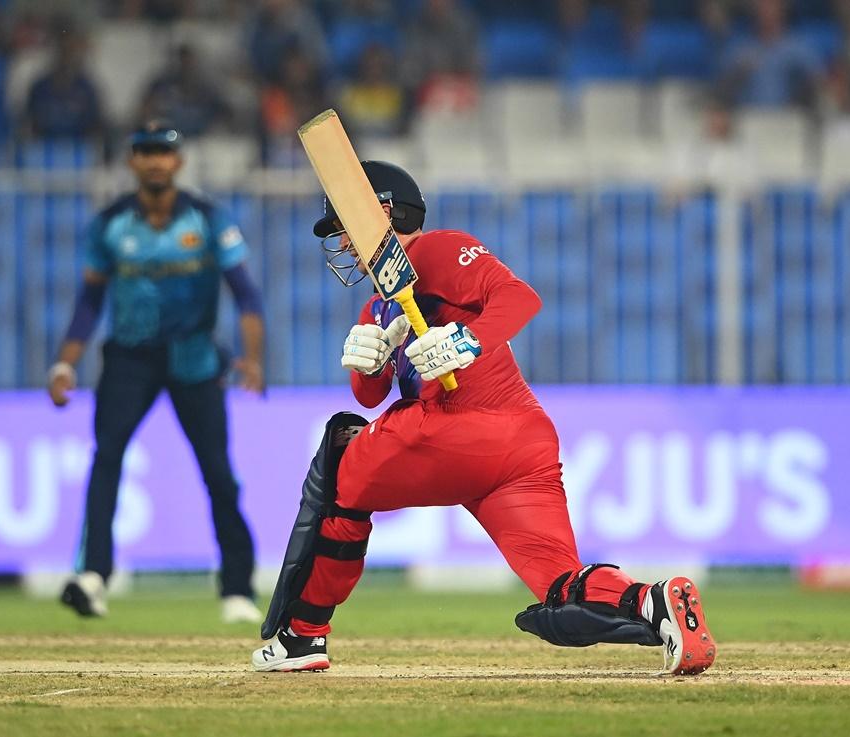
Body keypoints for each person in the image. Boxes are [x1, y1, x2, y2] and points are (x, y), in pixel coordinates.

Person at [250, 161, 716, 675]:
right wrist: (369, 363)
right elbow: (370, 395)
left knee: (343, 464)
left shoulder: (437, 249)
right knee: (562, 588)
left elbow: (520, 297)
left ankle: (303, 637)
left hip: (458, 426)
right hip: (522, 443)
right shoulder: (378, 306)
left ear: (379, 212)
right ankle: (654, 601)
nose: (341, 242)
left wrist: (465, 342)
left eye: (343, 226)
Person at [47, 121, 267, 625]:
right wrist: (65, 363)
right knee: (107, 460)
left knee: (218, 473)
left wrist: (252, 358)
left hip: (194, 357)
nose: (154, 161)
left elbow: (246, 294)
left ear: (178, 161)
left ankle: (236, 588)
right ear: (132, 161)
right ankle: (93, 576)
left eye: (162, 152)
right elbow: (89, 301)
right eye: (144, 152)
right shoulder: (111, 224)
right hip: (129, 358)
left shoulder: (208, 219)